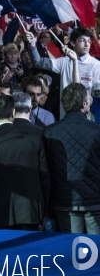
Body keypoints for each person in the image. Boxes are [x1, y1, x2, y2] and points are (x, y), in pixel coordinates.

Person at [0, 94, 50, 230]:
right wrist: (44, 211)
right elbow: (44, 178)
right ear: (13, 111)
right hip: (29, 213)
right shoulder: (34, 140)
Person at [42, 83, 100, 234]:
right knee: (97, 249)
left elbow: (46, 169)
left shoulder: (49, 132)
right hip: (94, 202)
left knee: (73, 249)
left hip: (65, 202)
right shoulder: (97, 131)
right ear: (84, 103)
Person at [26, 28, 100, 118]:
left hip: (88, 119)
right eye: (82, 40)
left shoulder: (96, 65)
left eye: (89, 41)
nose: (86, 44)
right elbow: (38, 62)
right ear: (72, 43)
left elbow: (97, 96)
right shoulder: (64, 61)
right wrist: (32, 44)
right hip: (65, 117)